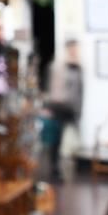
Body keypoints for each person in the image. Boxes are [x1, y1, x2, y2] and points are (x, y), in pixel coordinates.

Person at [45, 40, 86, 180]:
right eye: (73, 49)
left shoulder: (79, 68)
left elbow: (80, 90)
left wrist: (79, 109)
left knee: (73, 138)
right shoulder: (57, 67)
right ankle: (55, 168)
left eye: (76, 49)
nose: (75, 51)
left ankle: (75, 166)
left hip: (72, 107)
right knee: (56, 139)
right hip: (59, 107)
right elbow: (52, 87)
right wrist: (49, 107)